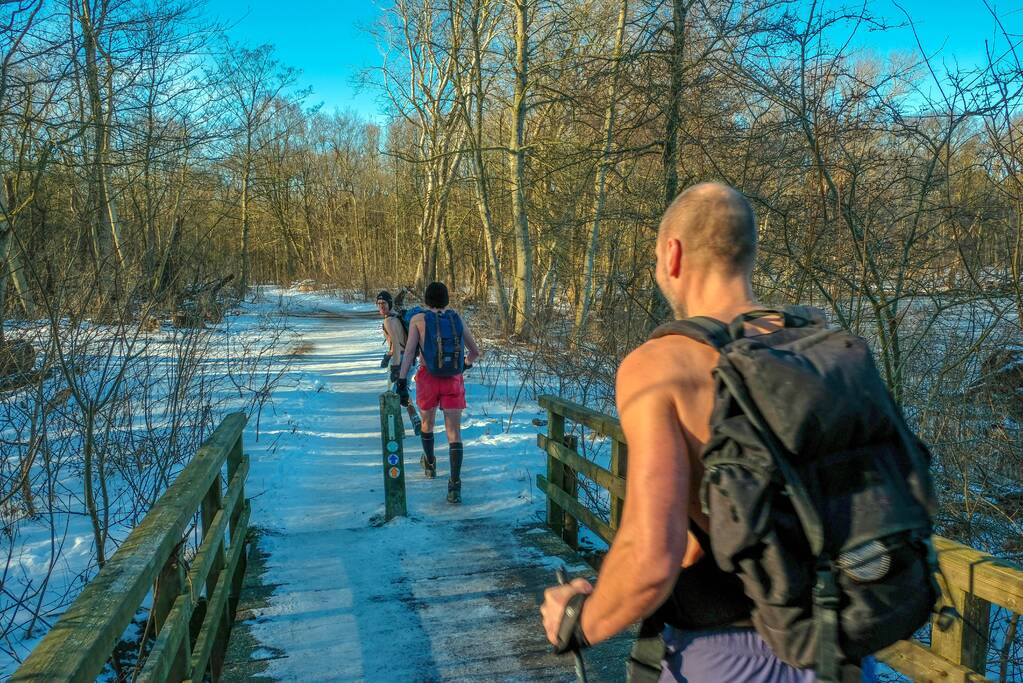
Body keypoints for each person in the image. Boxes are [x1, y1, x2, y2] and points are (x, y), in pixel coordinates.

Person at [539, 183, 879, 682]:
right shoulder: (823, 347)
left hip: (729, 655)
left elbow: (655, 556)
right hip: (843, 651)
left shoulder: (661, 365)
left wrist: (577, 621)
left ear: (671, 255)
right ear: (748, 253)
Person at [396, 281, 480, 503]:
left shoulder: (418, 320)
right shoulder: (456, 319)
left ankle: (431, 463)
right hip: (453, 379)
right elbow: (475, 352)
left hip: (428, 378)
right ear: (446, 299)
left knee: (427, 424)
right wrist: (464, 365)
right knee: (454, 433)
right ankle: (454, 485)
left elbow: (409, 354)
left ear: (426, 300)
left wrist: (402, 380)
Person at [375, 290, 421, 435]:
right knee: (404, 392)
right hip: (411, 359)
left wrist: (395, 368)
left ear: (390, 303)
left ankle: (396, 429)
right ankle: (415, 418)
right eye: (379, 304)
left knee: (392, 397)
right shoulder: (398, 317)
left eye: (384, 303)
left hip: (399, 360)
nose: (381, 306)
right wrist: (388, 355)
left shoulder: (388, 320)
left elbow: (395, 344)